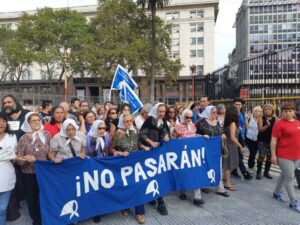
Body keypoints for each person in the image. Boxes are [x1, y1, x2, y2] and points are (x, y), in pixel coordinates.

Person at [109, 114, 146, 224]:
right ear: (122, 122)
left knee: (138, 185)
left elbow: (137, 143)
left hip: (135, 162)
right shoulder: (118, 134)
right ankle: (125, 207)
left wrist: (143, 147)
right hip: (123, 164)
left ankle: (139, 212)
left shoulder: (134, 130)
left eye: (131, 121)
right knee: (126, 186)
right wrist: (120, 152)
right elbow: (111, 149)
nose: (129, 123)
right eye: (127, 121)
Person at [16, 112, 51, 225]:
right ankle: (36, 219)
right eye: (33, 120)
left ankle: (46, 216)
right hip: (29, 173)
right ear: (28, 123)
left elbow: (50, 152)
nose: (36, 122)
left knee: (44, 195)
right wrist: (25, 158)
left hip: (44, 173)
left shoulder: (46, 134)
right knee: (32, 197)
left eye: (38, 120)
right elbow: (18, 160)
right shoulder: (23, 138)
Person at [1, 95, 30, 221]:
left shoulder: (27, 114)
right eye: (4, 102)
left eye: (9, 102)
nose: (7, 104)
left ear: (15, 102)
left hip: (22, 155)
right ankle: (13, 208)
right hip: (8, 158)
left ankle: (24, 205)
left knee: (25, 184)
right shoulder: (2, 115)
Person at [139, 102, 170, 216]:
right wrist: (151, 142)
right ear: (156, 111)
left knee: (157, 175)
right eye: (160, 111)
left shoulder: (163, 121)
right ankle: (157, 200)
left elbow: (165, 131)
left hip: (158, 152)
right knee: (150, 174)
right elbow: (142, 135)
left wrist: (166, 135)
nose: (162, 113)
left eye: (163, 111)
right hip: (147, 151)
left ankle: (158, 200)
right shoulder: (150, 120)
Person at [173, 109, 206, 205]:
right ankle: (182, 192)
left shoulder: (193, 126)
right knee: (183, 173)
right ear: (183, 116)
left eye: (191, 117)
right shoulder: (178, 127)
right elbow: (174, 138)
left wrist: (202, 136)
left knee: (196, 173)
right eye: (187, 117)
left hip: (193, 154)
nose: (189, 119)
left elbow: (194, 135)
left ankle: (197, 197)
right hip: (183, 154)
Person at [271, 103, 300, 212]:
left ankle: (276, 192)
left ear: (294, 112)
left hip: (297, 155)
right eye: (285, 111)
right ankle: (293, 202)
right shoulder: (279, 124)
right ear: (282, 112)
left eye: (290, 111)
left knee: (284, 174)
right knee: (290, 178)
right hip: (284, 155)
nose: (288, 113)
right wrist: (273, 155)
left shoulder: (298, 123)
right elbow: (273, 140)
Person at [196, 105, 229, 197]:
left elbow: (220, 131)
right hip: (204, 150)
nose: (216, 114)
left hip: (216, 150)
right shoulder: (201, 122)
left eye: (216, 112)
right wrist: (202, 136)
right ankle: (203, 185)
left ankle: (220, 188)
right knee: (205, 168)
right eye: (214, 112)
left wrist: (222, 134)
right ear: (208, 112)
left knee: (218, 168)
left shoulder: (217, 122)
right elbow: (193, 132)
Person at [85, 120, 110, 223]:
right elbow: (86, 152)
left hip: (103, 166)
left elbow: (107, 149)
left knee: (103, 188)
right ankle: (95, 212)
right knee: (94, 189)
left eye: (104, 128)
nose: (102, 130)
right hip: (92, 167)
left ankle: (102, 208)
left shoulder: (106, 136)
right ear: (95, 128)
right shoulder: (88, 137)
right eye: (100, 128)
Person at [0, 113, 17, 225]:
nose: (1, 123)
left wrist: (19, 158)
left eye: (4, 121)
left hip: (6, 176)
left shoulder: (12, 137)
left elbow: (15, 156)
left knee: (2, 208)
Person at [223, 106, 245, 191]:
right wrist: (240, 146)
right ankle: (227, 183)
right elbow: (233, 137)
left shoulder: (227, 122)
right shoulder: (232, 123)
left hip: (227, 144)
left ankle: (225, 179)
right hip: (231, 145)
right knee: (229, 165)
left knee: (227, 164)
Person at [231, 98, 252, 180]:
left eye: (239, 105)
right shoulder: (231, 113)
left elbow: (246, 127)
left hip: (241, 137)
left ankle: (234, 170)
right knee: (238, 155)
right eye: (236, 104)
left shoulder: (243, 113)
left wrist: (246, 118)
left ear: (242, 106)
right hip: (234, 137)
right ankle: (245, 173)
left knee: (239, 155)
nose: (237, 106)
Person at [256, 104, 276, 180]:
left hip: (271, 141)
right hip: (262, 140)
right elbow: (260, 130)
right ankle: (258, 172)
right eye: (265, 109)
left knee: (269, 157)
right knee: (261, 156)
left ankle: (266, 172)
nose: (267, 110)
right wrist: (267, 125)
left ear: (272, 111)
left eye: (269, 109)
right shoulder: (261, 118)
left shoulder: (275, 119)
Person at [245, 106, 262, 171]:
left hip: (257, 138)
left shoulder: (261, 119)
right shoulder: (250, 118)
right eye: (256, 111)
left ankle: (251, 163)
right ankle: (251, 165)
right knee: (252, 152)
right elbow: (246, 127)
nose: (257, 112)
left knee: (254, 152)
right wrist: (246, 118)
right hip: (249, 138)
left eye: (259, 111)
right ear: (254, 112)